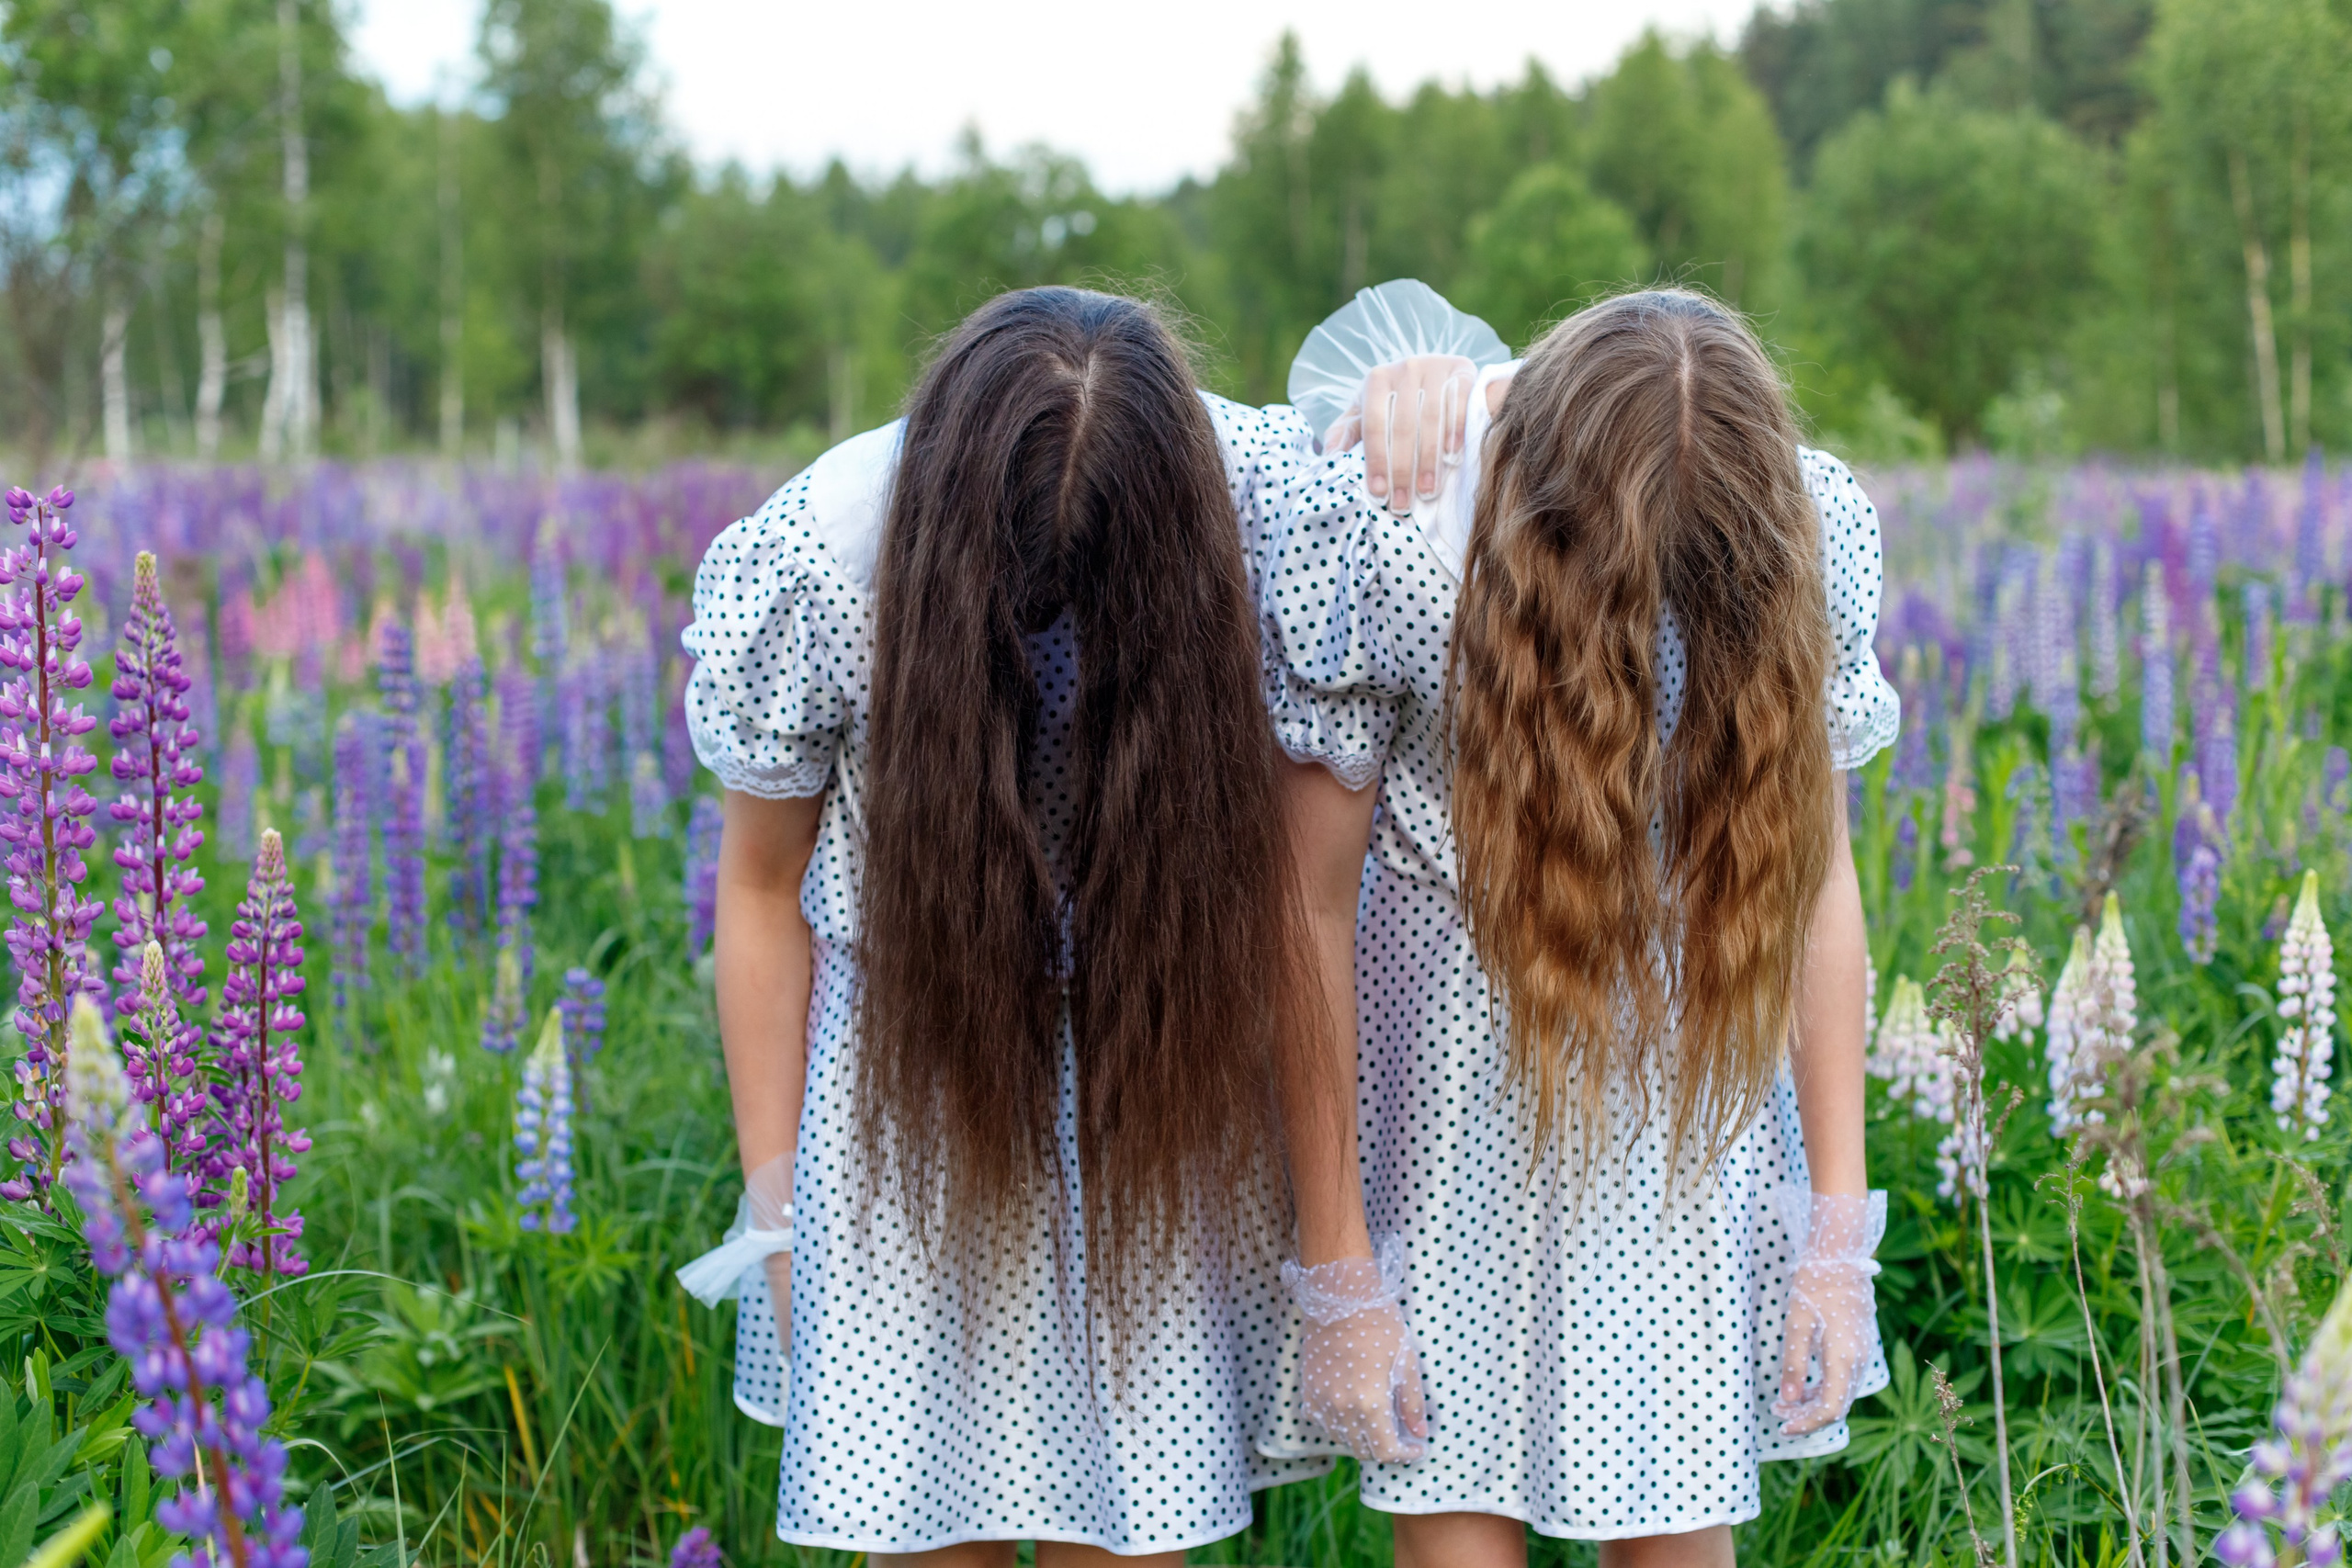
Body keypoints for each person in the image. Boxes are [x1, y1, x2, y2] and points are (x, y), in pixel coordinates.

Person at [675, 286, 1330, 1565]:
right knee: (925, 1529)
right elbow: (758, 892)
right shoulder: (827, 556)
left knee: (1133, 1528)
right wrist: (778, 1212)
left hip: (1150, 1065)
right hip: (911, 1085)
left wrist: (1435, 389)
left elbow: (1484, 423)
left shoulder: (1262, 492)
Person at [1261, 285, 1896, 1568]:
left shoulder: (1809, 525)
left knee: (1676, 1536)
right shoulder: (1402, 533)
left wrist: (1836, 1235)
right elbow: (1304, 907)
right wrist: (1338, 1268)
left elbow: (1816, 882)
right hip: (1447, 1104)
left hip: (1686, 1098)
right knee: (1456, 1530)